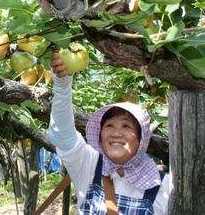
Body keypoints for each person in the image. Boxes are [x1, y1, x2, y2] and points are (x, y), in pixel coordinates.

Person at [48, 52, 170, 214]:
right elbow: (62, 133)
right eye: (109, 125)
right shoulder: (90, 165)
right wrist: (62, 84)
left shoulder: (165, 186)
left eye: (126, 126)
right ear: (100, 134)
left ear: (141, 139)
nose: (116, 133)